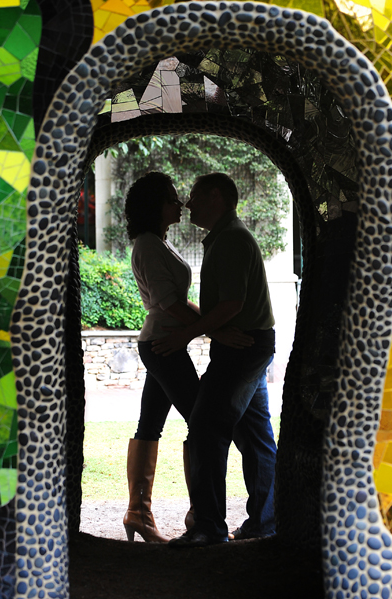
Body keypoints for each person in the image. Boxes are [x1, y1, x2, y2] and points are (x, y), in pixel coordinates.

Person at [121, 172, 255, 543]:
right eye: (170, 199)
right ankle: (200, 515)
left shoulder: (157, 242)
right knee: (203, 421)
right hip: (164, 345)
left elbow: (174, 303)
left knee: (150, 425)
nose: (179, 203)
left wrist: (205, 326)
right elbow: (170, 304)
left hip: (166, 343)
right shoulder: (148, 245)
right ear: (154, 207)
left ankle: (139, 514)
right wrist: (214, 329)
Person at [153, 172, 278, 548]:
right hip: (248, 345)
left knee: (206, 428)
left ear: (216, 196)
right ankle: (265, 523)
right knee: (256, 438)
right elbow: (229, 307)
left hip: (243, 349)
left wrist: (186, 333)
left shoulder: (232, 240)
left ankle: (208, 528)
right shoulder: (226, 238)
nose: (188, 203)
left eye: (193, 195)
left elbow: (232, 304)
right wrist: (212, 331)